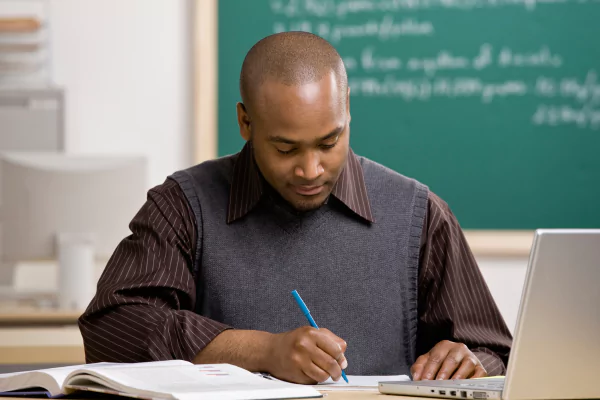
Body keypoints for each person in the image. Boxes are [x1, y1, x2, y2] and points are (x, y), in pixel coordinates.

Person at [78, 32, 512, 385]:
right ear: (245, 122)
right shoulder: (183, 205)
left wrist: (470, 362)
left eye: (329, 142)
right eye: (286, 148)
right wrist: (262, 352)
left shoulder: (420, 214)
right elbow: (112, 328)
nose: (311, 170)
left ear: (347, 114)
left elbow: (498, 352)